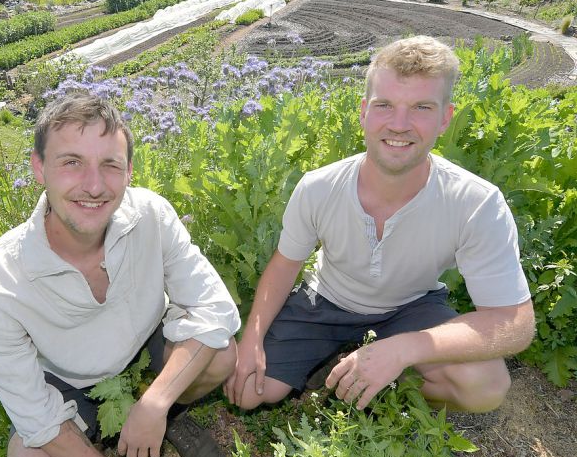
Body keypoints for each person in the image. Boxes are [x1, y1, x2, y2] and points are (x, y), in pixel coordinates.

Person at [225, 35, 535, 414]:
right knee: (248, 392)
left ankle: (390, 378)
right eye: (384, 105)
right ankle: (340, 360)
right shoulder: (320, 186)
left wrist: (407, 348)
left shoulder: (476, 202)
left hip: (411, 308)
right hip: (325, 300)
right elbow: (285, 265)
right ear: (363, 113)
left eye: (421, 107)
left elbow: (515, 324)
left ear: (445, 118)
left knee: (484, 385)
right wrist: (252, 337)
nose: (399, 124)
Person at [0, 92, 240, 457]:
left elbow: (215, 310)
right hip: (66, 382)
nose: (94, 186)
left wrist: (156, 402)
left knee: (221, 353)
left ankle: (169, 417)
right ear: (39, 167)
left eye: (110, 165)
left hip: (144, 346)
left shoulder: (151, 215)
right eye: (72, 162)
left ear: (129, 170)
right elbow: (35, 414)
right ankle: (94, 445)